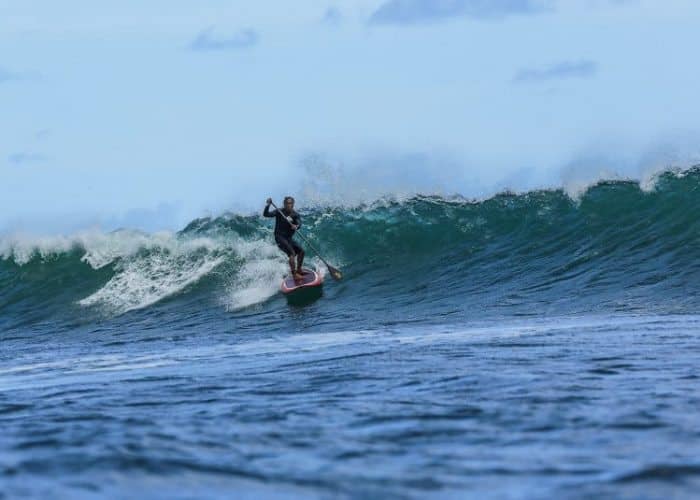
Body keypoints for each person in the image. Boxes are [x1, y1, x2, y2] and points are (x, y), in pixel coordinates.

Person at [264, 196, 305, 280]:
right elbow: (266, 214)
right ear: (284, 204)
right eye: (287, 203)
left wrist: (296, 226)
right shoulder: (279, 211)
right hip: (279, 237)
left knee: (301, 251)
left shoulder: (295, 214)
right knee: (292, 253)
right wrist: (268, 205)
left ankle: (299, 269)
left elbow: (299, 223)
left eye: (290, 203)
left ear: (293, 204)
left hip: (288, 238)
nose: (288, 205)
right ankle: (294, 275)